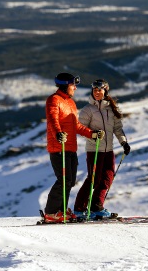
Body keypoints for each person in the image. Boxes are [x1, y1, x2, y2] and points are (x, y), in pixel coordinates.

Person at [43, 72, 104, 223]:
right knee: (63, 180)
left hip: (70, 147)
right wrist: (58, 134)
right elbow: (52, 120)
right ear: (65, 85)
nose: (75, 88)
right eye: (73, 85)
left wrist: (92, 134)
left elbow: (75, 126)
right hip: (59, 147)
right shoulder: (53, 100)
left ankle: (61, 211)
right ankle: (51, 212)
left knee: (70, 181)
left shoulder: (70, 103)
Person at [73, 79, 131, 219]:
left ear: (106, 91)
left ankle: (96, 207)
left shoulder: (111, 109)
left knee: (107, 178)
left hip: (108, 150)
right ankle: (79, 209)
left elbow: (117, 128)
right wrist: (94, 135)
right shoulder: (88, 110)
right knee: (93, 179)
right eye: (94, 90)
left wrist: (124, 143)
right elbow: (81, 130)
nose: (97, 92)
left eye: (100, 90)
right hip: (94, 149)